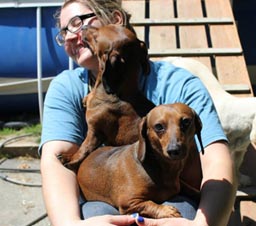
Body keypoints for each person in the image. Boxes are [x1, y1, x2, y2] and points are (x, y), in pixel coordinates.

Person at [39, 0, 237, 226]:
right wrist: (70, 225)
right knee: (95, 214)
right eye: (64, 33)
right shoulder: (67, 88)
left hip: (172, 191)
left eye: (78, 24)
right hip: (104, 197)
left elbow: (216, 158)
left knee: (182, 212)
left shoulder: (179, 84)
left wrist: (203, 224)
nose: (72, 36)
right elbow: (57, 160)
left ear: (116, 20)